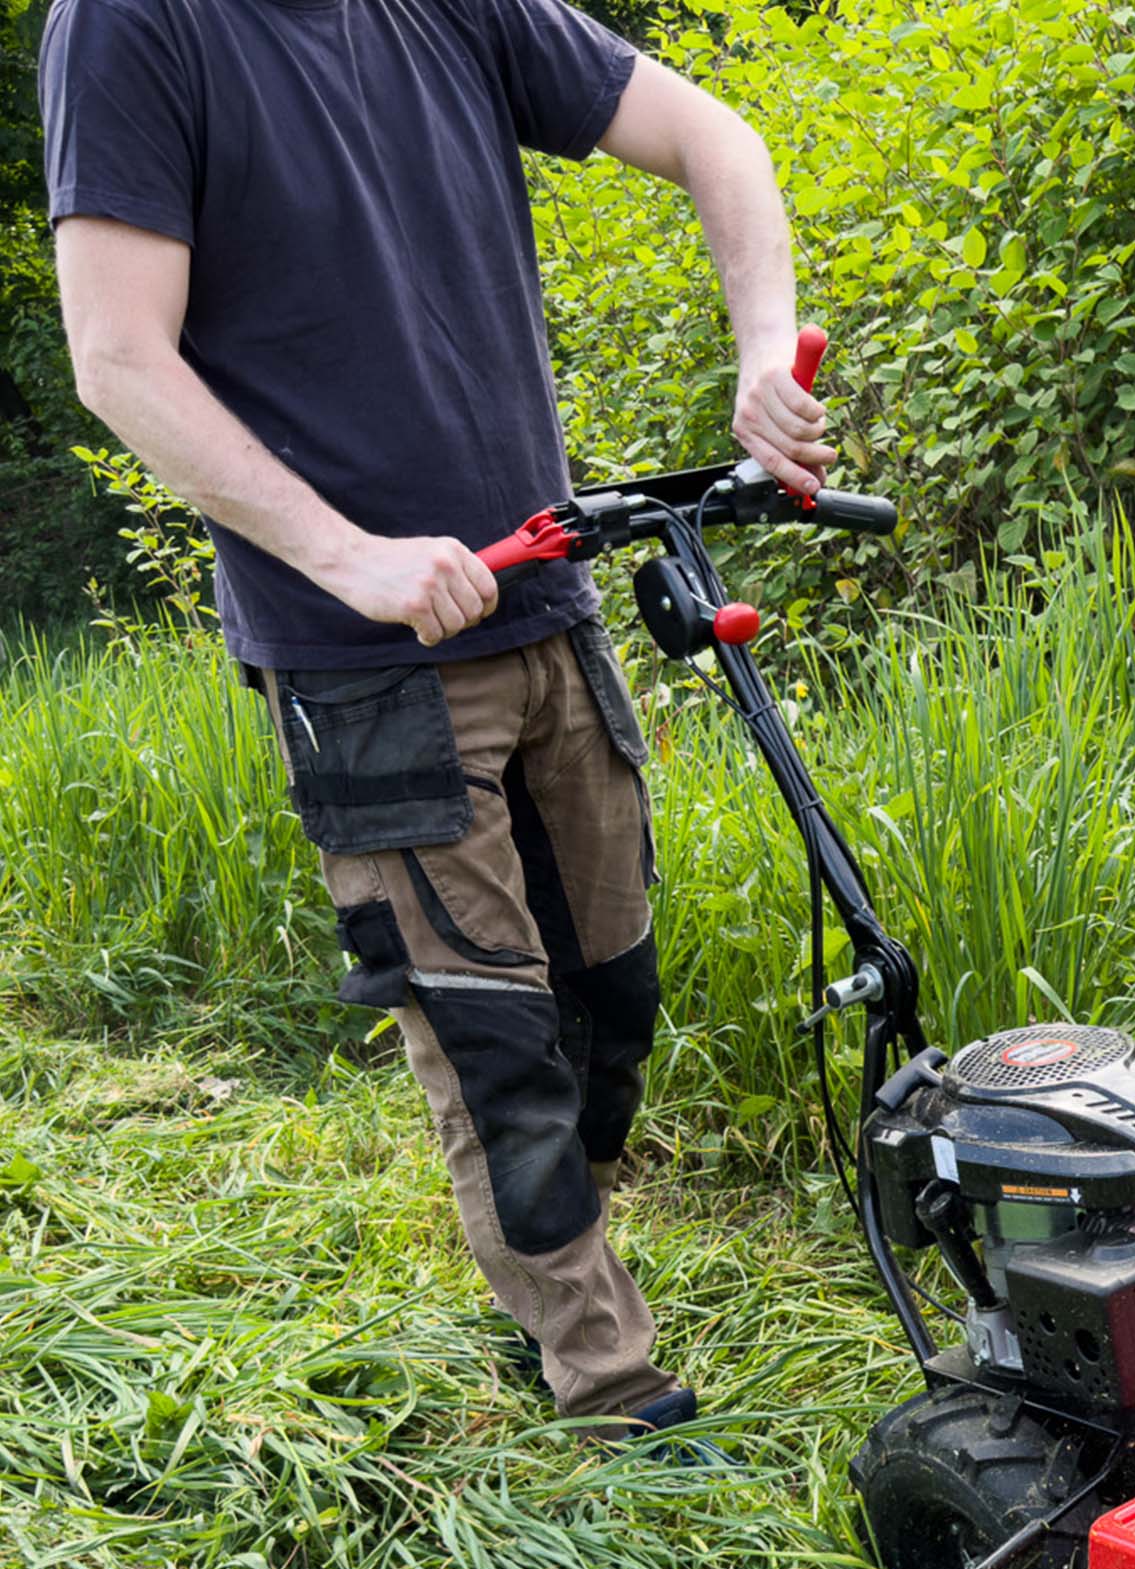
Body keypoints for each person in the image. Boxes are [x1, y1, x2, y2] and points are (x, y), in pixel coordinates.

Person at [39, 0, 833, 1437]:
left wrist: (762, 351)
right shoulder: (131, 27)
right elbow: (116, 356)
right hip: (364, 659)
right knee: (494, 1042)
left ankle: (538, 1256)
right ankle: (608, 1385)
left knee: (611, 997)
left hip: (545, 599)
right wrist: (351, 557)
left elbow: (715, 136)